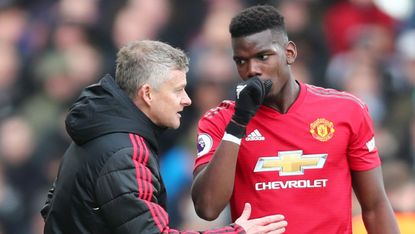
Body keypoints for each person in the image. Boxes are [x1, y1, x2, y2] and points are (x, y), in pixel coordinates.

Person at [40, 40, 288, 233]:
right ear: (147, 93)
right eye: (178, 90)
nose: (187, 100)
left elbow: (52, 209)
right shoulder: (126, 151)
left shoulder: (98, 131)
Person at [191, 5, 400, 234]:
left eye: (263, 56)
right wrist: (239, 123)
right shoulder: (221, 120)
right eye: (241, 61)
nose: (252, 70)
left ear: (289, 53)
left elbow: (374, 205)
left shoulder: (346, 110)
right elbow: (208, 208)